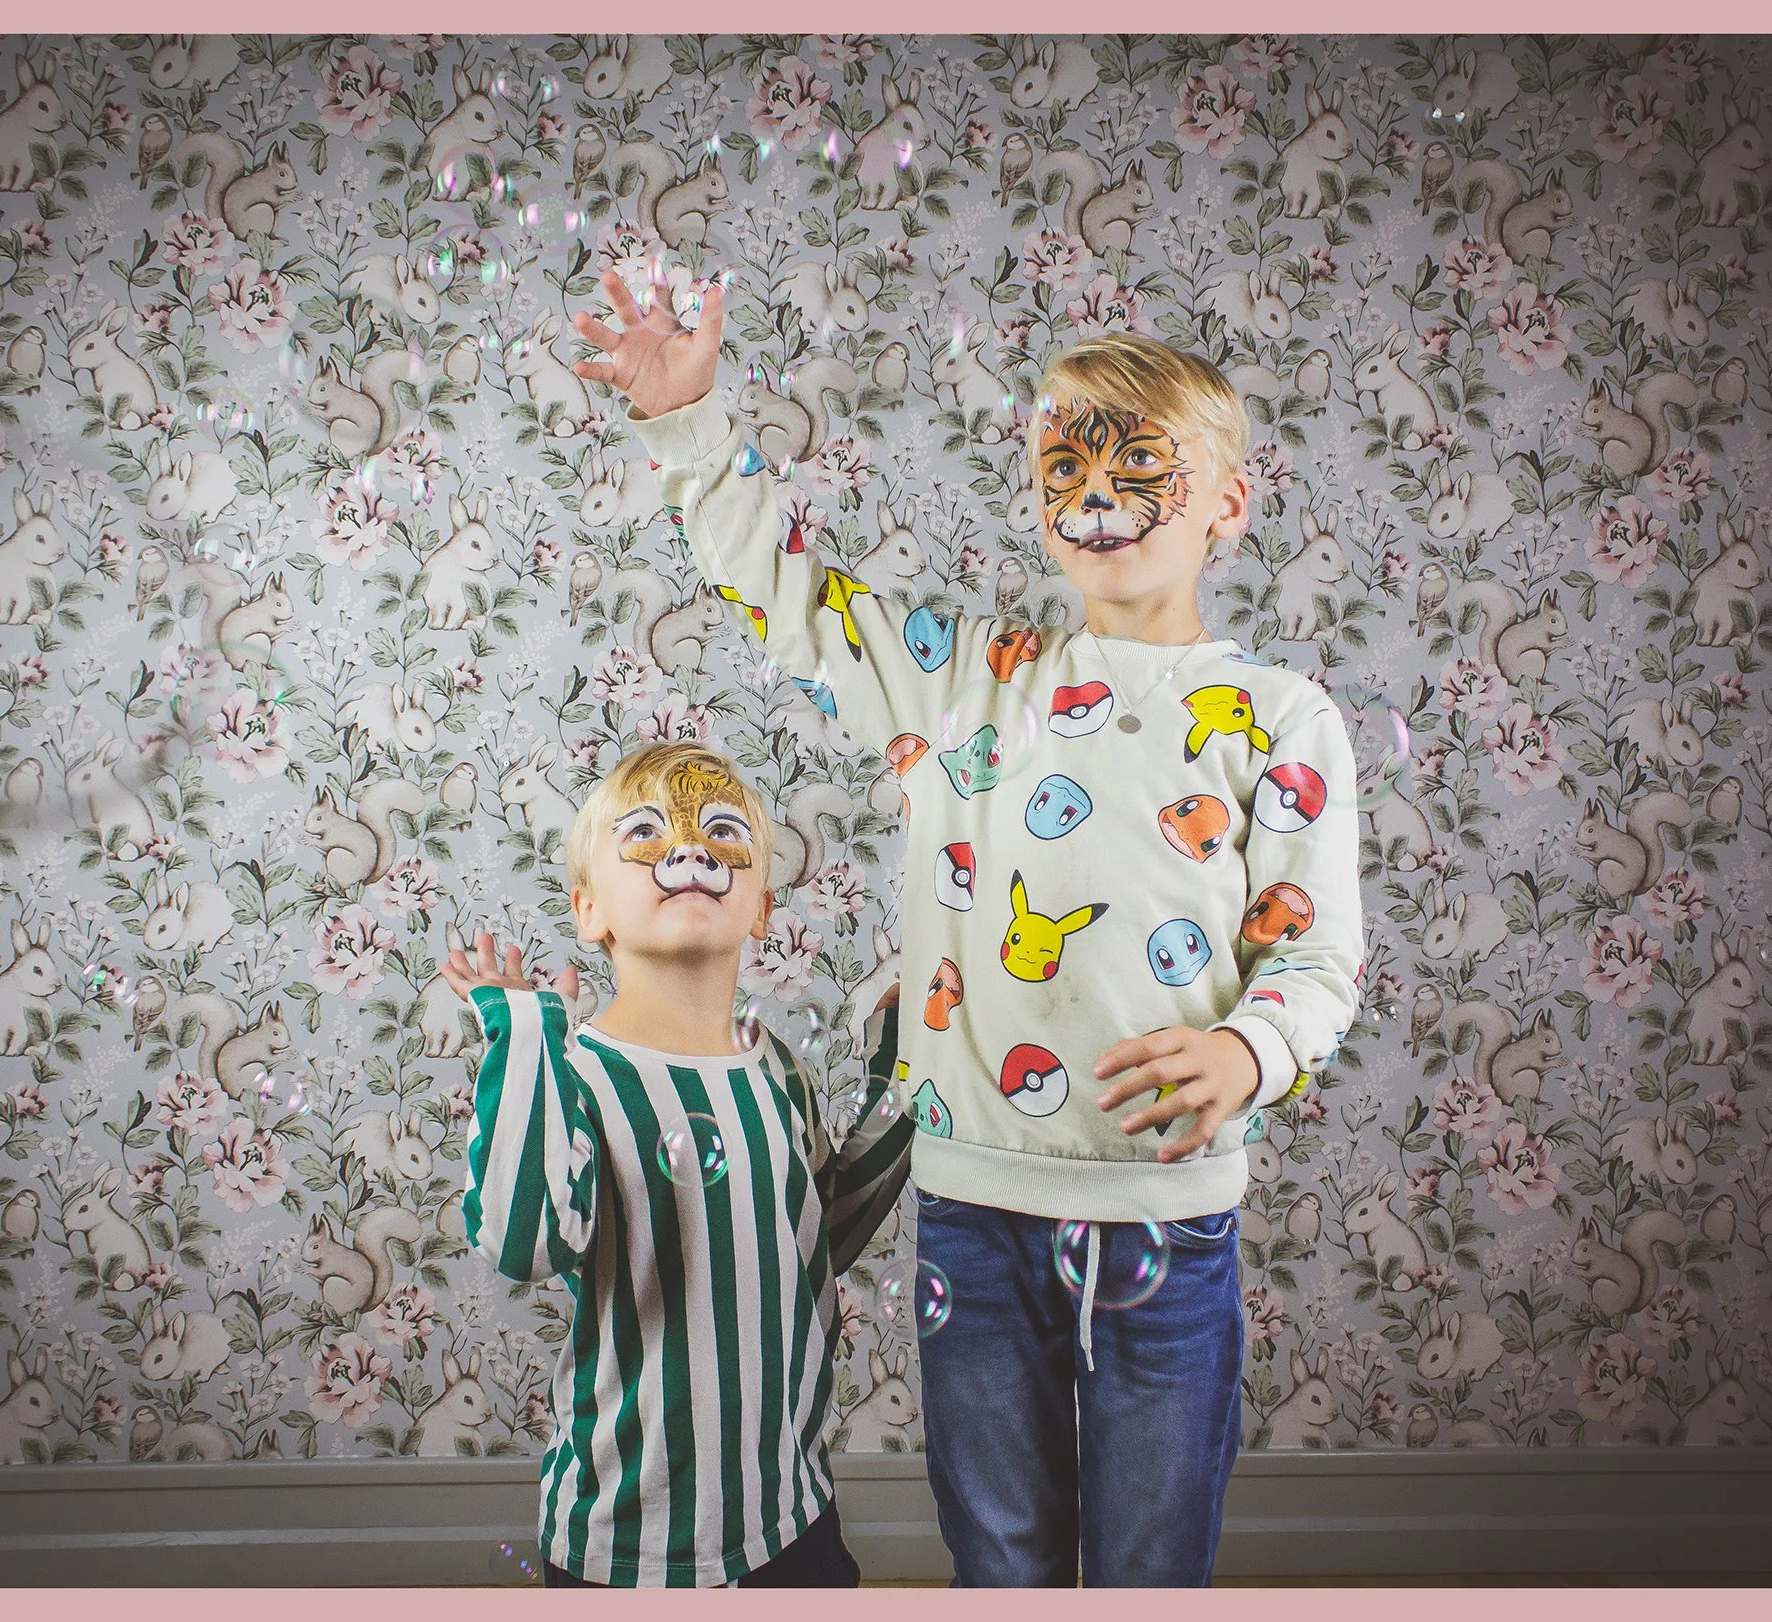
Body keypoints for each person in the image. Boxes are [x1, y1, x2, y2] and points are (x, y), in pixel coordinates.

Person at [576, 265, 1365, 1587]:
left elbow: (1317, 959)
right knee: (999, 1557)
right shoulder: (962, 683)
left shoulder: (1283, 718)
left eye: (1139, 465)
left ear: (1226, 503)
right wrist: (690, 422)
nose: (1097, 495)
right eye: (1067, 464)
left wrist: (1247, 1053)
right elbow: (783, 591)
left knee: (1151, 1564)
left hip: (1168, 1224)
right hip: (974, 1211)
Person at [445, 739, 913, 1587]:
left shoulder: (775, 1069)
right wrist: (522, 1036)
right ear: (591, 912)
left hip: (790, 1515)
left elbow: (819, 1235)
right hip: (627, 1540)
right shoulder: (575, 1072)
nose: (690, 852)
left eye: (722, 833)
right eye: (649, 836)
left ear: (761, 908)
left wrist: (904, 1062)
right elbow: (523, 1241)